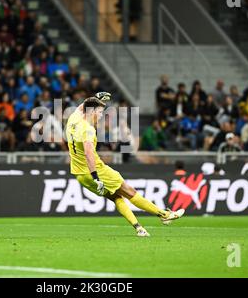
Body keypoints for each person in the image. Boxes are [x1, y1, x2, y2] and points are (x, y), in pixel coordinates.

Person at [66, 93, 184, 237]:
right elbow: (89, 153)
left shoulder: (74, 118)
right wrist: (96, 176)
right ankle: (164, 214)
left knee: (116, 197)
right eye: (100, 112)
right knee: (129, 191)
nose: (102, 116)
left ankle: (138, 228)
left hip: (79, 174)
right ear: (91, 112)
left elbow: (83, 105)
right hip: (96, 170)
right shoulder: (88, 129)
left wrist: (96, 97)